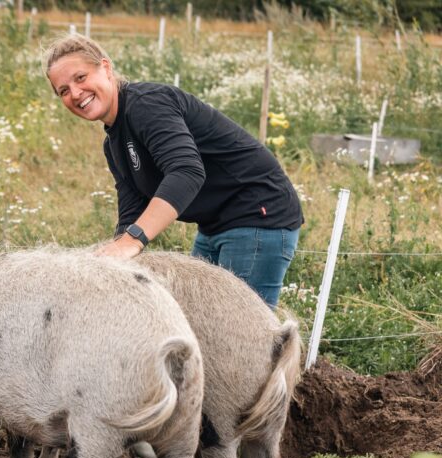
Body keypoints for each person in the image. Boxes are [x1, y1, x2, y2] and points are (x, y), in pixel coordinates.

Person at [44, 35, 303, 309]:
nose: (75, 93)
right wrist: (112, 260)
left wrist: (132, 241)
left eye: (81, 77)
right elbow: (132, 211)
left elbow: (186, 171)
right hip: (214, 225)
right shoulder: (113, 144)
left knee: (240, 329)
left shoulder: (146, 104)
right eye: (63, 90)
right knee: (194, 320)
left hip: (258, 215)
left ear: (105, 68)